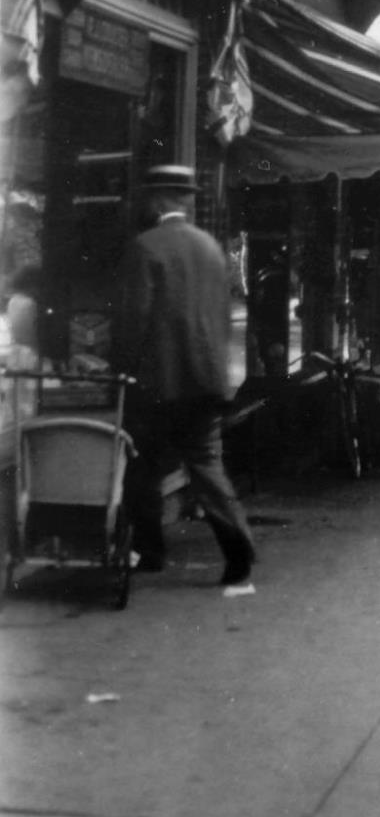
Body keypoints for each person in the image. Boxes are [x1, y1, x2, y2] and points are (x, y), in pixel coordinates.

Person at [113, 165, 257, 594]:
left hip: (158, 385)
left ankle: (150, 551)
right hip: (206, 382)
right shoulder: (211, 247)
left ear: (157, 200)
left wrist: (119, 368)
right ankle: (238, 557)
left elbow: (133, 320)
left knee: (139, 469)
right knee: (207, 468)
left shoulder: (145, 247)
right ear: (186, 201)